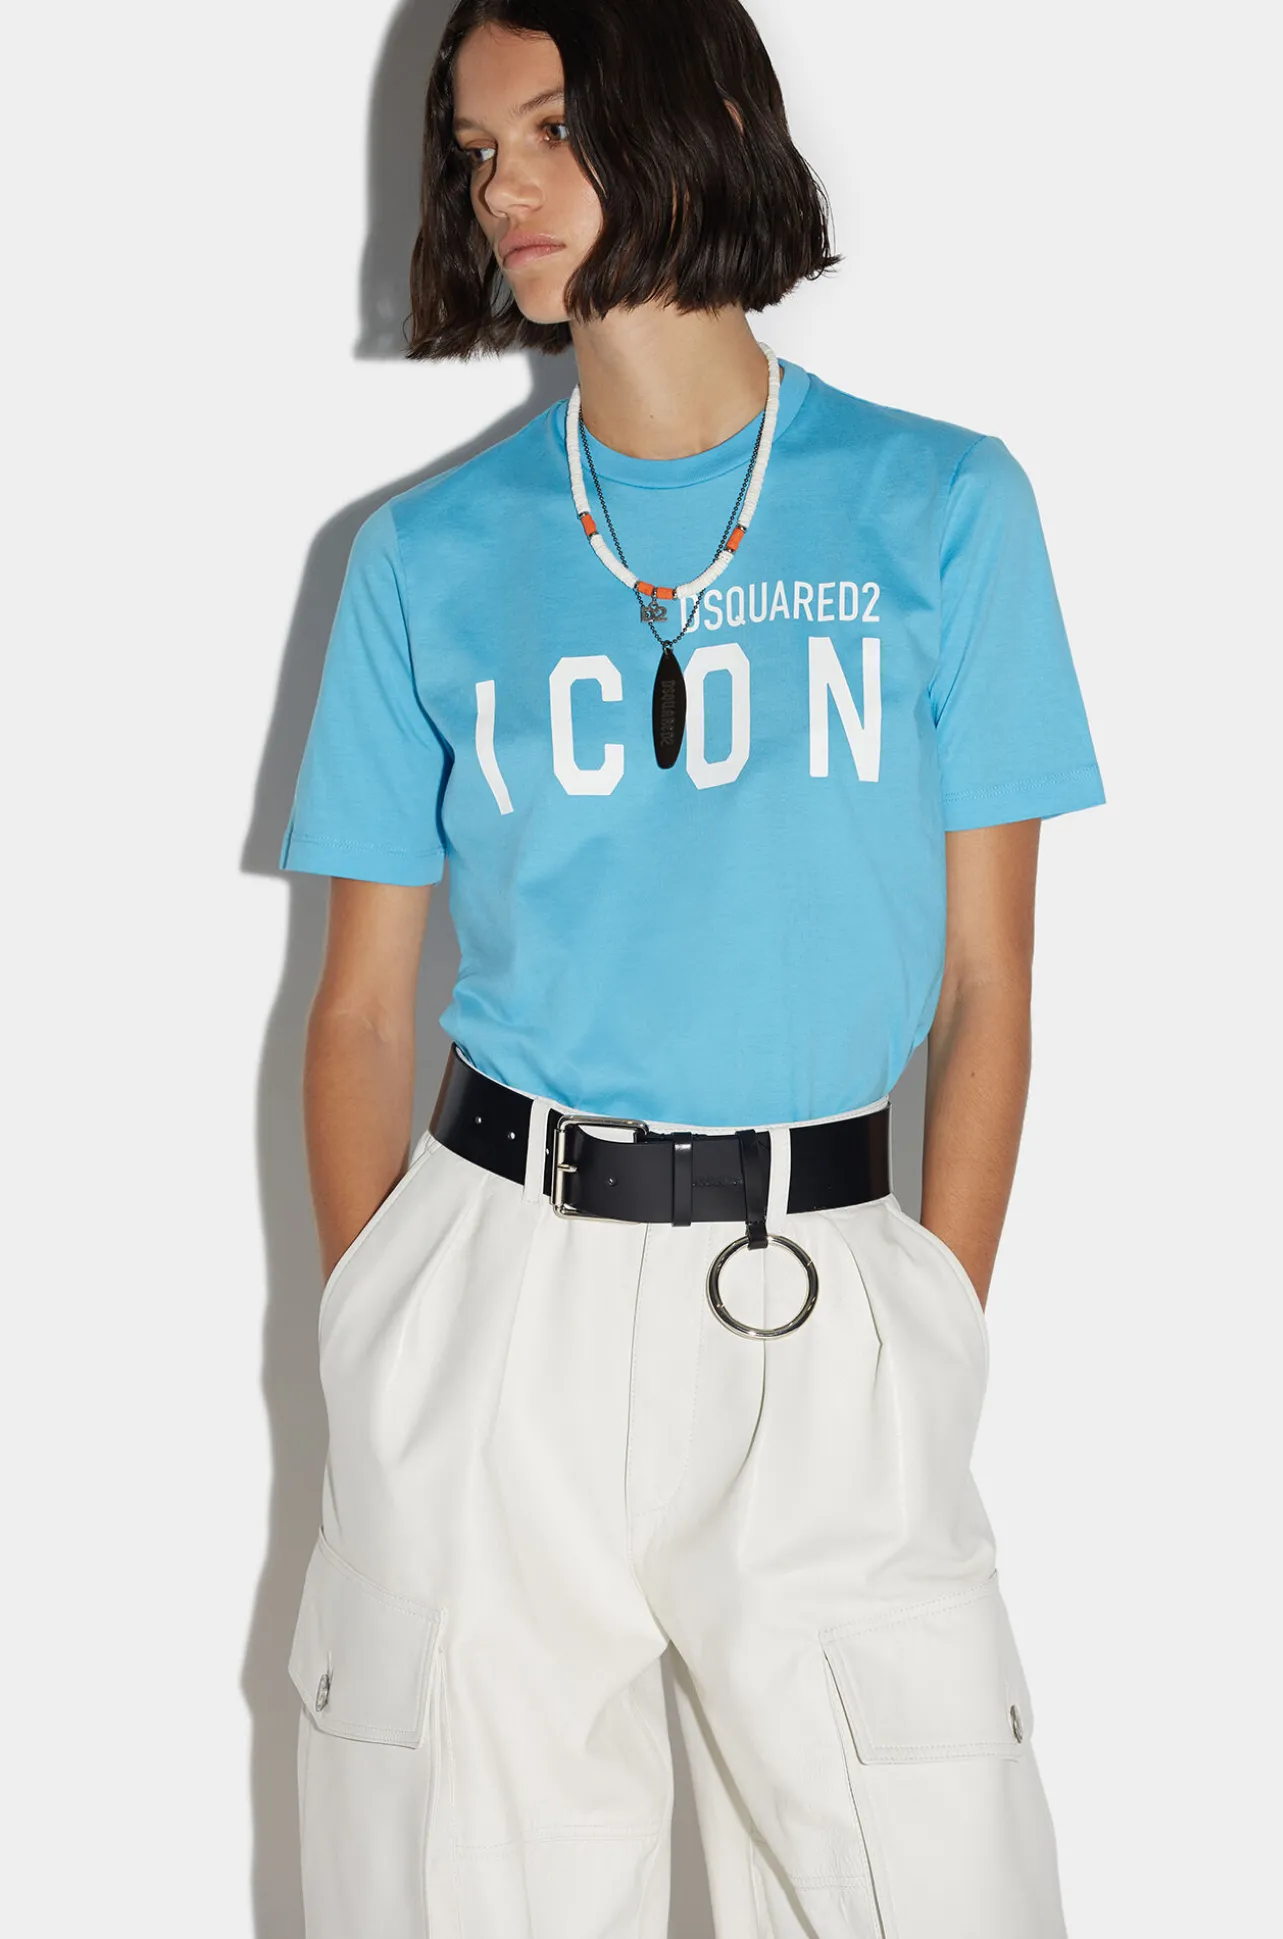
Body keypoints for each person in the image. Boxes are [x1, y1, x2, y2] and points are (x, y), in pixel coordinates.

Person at [277, 2, 1105, 1934]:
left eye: (553, 126)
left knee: (924, 1875)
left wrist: (934, 1318)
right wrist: (380, 1330)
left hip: (823, 1289)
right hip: (496, 1292)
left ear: (708, 113)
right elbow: (361, 1007)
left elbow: (993, 983)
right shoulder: (422, 557)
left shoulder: (944, 508)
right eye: (477, 151)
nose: (506, 188)